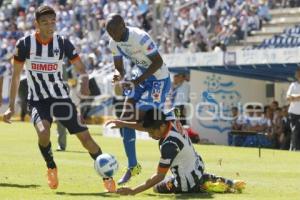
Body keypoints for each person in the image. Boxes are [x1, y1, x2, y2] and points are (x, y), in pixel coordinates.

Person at [2, 5, 115, 192]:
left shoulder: (62, 43)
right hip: (38, 100)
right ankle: (51, 166)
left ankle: (107, 176)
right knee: (43, 131)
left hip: (62, 99)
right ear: (36, 24)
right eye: (45, 22)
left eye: (52, 21)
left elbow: (81, 68)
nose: (50, 26)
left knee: (86, 139)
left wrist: (85, 80)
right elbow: (15, 77)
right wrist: (11, 106)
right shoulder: (24, 44)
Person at [107, 109, 246, 195]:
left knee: (156, 187)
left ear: (162, 126)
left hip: (185, 182)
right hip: (197, 167)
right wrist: (123, 123)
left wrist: (133, 191)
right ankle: (227, 183)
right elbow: (148, 125)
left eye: (151, 132)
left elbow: (159, 176)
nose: (149, 135)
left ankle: (203, 187)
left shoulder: (169, 145)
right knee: (196, 175)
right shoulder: (170, 118)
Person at [106, 13, 171, 185]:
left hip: (158, 79)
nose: (111, 35)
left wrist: (138, 80)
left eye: (113, 31)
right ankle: (133, 166)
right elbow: (119, 68)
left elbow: (158, 62)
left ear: (122, 26)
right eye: (108, 32)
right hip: (139, 76)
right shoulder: (114, 42)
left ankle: (167, 120)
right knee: (126, 115)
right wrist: (117, 75)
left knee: (145, 120)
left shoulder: (141, 38)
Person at [286, 67, 300, 151]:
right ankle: (294, 149)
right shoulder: (293, 84)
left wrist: (293, 97)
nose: (296, 74)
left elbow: (291, 97)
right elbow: (288, 98)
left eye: (298, 72)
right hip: (293, 112)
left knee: (296, 131)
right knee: (294, 130)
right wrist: (297, 97)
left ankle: (294, 148)